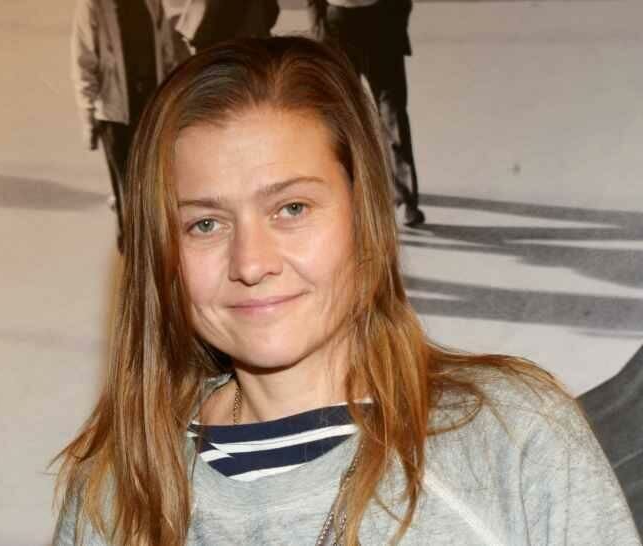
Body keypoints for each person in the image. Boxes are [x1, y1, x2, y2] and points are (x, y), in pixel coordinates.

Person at [52, 37, 640, 545]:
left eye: (292, 208)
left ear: (364, 217)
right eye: (205, 224)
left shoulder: (511, 437)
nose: (251, 262)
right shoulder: (114, 491)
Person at [71, 0, 190, 252]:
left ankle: (151, 248)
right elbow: (84, 61)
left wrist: (173, 102)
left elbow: (167, 53)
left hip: (150, 108)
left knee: (153, 182)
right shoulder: (93, 6)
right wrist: (88, 113)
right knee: (126, 189)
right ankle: (131, 249)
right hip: (115, 115)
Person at [309, 0, 425, 227]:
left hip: (378, 20)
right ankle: (344, 199)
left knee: (391, 113)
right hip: (340, 25)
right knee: (342, 116)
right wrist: (319, 28)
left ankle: (404, 200)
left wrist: (397, 20)